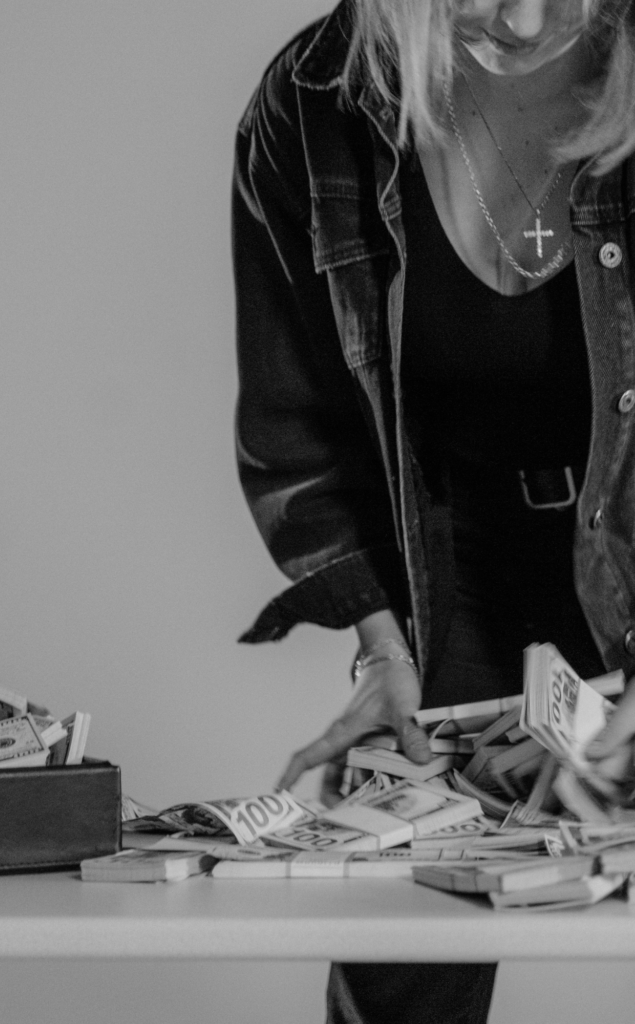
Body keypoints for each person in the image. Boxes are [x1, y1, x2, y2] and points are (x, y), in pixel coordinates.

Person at [232, 0, 635, 1021]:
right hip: (455, 579)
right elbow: (298, 424)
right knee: (400, 970)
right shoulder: (313, 102)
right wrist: (383, 648)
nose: (522, 16)